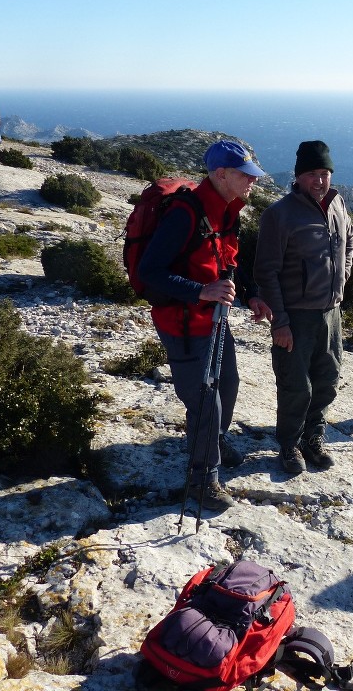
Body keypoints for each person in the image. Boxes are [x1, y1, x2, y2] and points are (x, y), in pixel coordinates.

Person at [138, 140, 273, 512]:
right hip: (182, 323)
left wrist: (252, 295)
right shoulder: (184, 214)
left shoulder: (227, 212)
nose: (252, 183)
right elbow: (150, 273)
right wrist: (203, 291)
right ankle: (202, 480)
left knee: (228, 384)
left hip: (213, 318)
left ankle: (215, 440)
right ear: (221, 174)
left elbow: (229, 263)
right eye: (245, 176)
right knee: (204, 400)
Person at [254, 140, 353, 474]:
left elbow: (349, 240)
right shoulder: (279, 214)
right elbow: (265, 271)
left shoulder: (338, 204)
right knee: (296, 384)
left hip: (331, 313)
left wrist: (342, 277)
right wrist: (279, 322)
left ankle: (313, 438)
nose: (319, 180)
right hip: (295, 315)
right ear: (298, 176)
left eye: (324, 172)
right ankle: (289, 445)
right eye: (312, 173)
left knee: (327, 379)